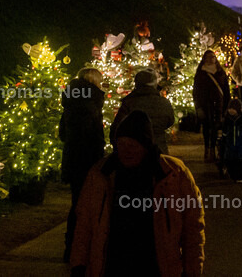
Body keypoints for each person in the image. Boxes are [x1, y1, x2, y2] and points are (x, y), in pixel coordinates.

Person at [70, 110, 205, 277]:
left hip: (155, 267)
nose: (127, 150)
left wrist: (192, 270)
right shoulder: (100, 175)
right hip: (113, 266)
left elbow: (193, 228)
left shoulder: (174, 174)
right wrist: (78, 265)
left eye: (133, 145)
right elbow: (84, 225)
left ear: (146, 146)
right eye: (122, 144)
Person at [59, 67, 106, 261]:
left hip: (73, 159)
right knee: (87, 205)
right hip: (88, 160)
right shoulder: (90, 105)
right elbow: (92, 136)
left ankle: (71, 247)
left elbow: (62, 134)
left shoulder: (71, 104)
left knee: (77, 202)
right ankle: (80, 249)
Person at [112, 69, 175, 154]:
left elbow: (117, 127)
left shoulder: (129, 103)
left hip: (135, 152)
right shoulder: (164, 102)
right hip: (158, 149)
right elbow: (170, 121)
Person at [192, 50, 230, 162]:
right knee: (206, 128)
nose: (211, 59)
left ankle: (213, 149)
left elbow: (226, 90)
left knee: (215, 127)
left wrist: (226, 106)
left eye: (212, 57)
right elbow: (196, 91)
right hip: (205, 105)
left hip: (218, 105)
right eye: (208, 57)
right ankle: (207, 149)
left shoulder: (220, 72)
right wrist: (198, 107)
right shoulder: (201, 73)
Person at [218, 99, 242, 183]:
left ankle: (241, 175)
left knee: (240, 161)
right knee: (230, 161)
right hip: (230, 144)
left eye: (233, 109)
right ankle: (233, 174)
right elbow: (224, 132)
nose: (231, 111)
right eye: (230, 108)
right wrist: (223, 139)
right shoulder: (227, 121)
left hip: (241, 144)